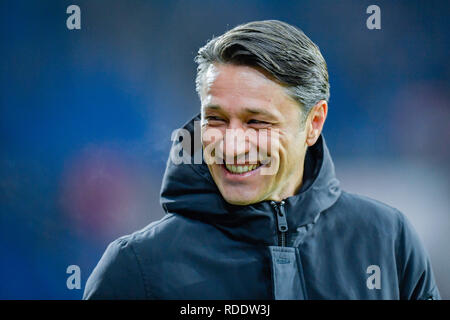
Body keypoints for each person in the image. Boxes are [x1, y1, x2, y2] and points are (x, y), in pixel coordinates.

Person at [83, 20, 440, 300]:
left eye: (257, 122)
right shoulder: (136, 269)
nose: (233, 146)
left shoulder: (389, 241)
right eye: (216, 119)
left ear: (314, 123)